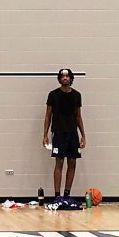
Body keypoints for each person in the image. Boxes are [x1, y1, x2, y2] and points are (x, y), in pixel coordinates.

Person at [43, 68, 86, 198]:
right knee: (59, 162)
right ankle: (57, 195)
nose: (65, 78)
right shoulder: (53, 95)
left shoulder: (77, 95)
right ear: (60, 79)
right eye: (63, 76)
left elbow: (78, 116)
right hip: (58, 132)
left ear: (71, 78)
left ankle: (67, 195)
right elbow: (48, 116)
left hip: (72, 133)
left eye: (67, 76)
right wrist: (45, 135)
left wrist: (83, 135)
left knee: (72, 162)